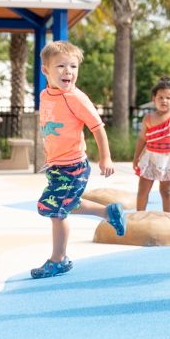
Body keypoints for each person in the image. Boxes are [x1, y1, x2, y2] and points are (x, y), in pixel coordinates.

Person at [32, 41, 127, 279]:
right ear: (45, 71)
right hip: (56, 166)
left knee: (56, 211)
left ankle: (58, 260)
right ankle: (109, 212)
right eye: (61, 66)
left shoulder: (76, 98)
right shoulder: (45, 95)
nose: (68, 72)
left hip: (73, 166)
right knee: (67, 203)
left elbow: (97, 127)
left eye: (73, 66)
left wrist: (105, 157)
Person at [131, 77, 170, 213]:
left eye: (168, 98)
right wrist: (136, 158)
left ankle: (168, 218)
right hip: (150, 158)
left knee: (167, 191)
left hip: (169, 159)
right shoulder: (148, 118)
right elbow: (142, 139)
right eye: (160, 97)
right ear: (154, 99)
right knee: (143, 189)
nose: (164, 100)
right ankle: (139, 215)